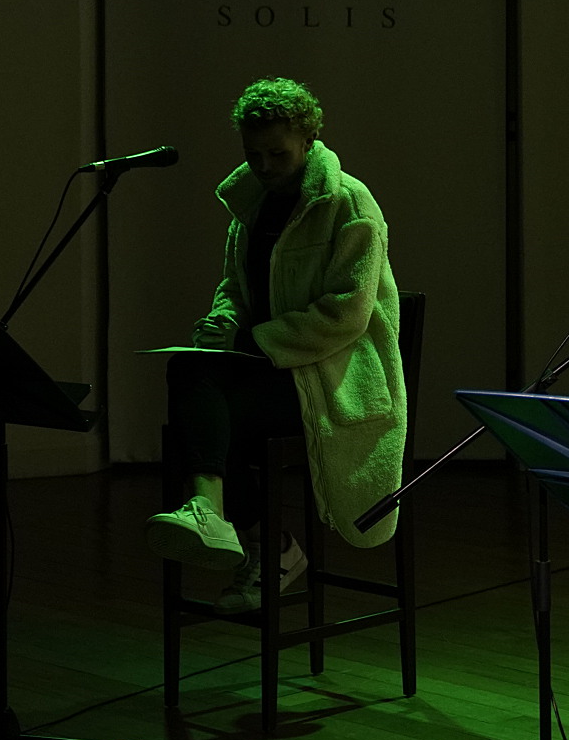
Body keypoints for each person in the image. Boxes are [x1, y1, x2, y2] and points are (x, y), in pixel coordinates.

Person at [146, 77, 409, 614]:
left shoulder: (349, 203)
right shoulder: (254, 203)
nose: (264, 166)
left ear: (309, 141)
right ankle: (215, 515)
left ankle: (264, 544)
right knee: (189, 372)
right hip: (271, 365)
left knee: (213, 416)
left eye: (277, 154)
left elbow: (347, 314)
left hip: (334, 375)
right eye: (254, 155)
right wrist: (222, 323)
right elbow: (235, 287)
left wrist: (246, 338)